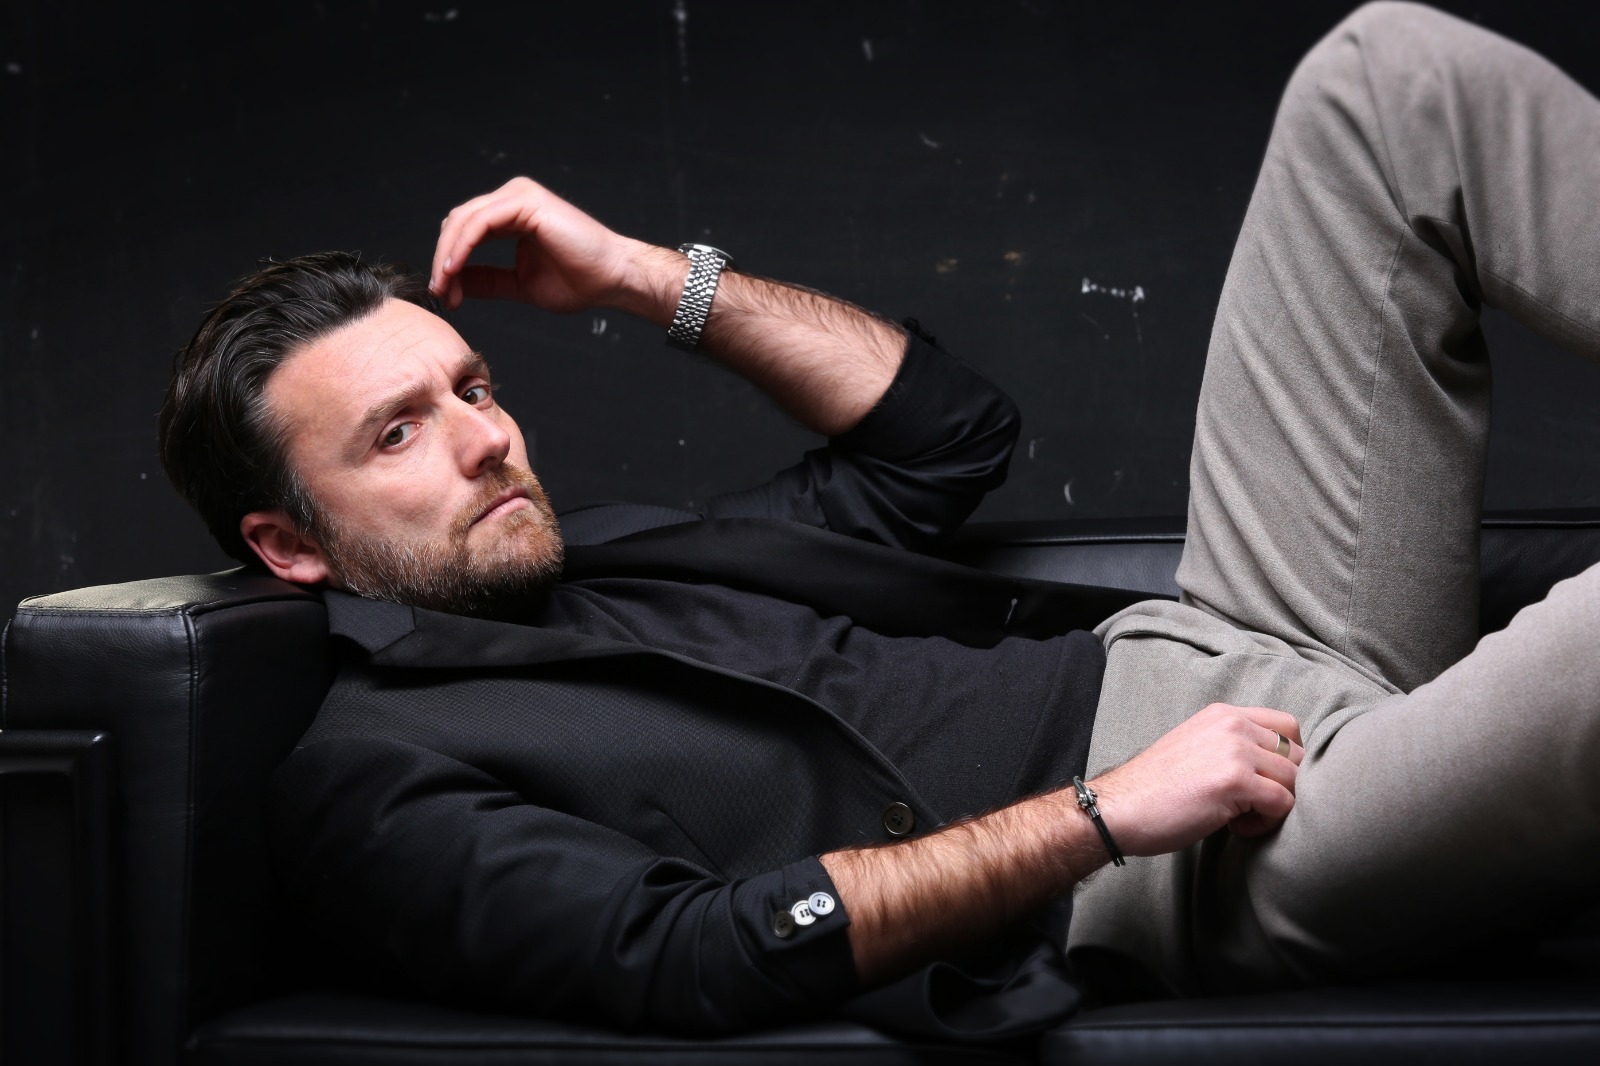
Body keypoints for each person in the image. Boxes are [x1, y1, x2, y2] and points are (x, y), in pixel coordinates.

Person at [157, 0, 1599, 1040]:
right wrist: (1104, 815)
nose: (486, 437)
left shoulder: (620, 551)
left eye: (472, 386)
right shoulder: (370, 777)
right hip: (1197, 855)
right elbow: (691, 951)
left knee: (1385, 81)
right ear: (288, 543)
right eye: (399, 431)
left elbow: (942, 434)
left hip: (1228, 633)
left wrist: (642, 277)